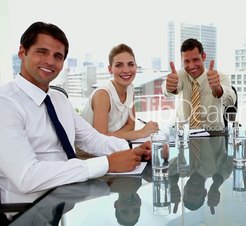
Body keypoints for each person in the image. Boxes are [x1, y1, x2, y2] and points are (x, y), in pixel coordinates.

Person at [0, 22, 151, 207]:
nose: (50, 61)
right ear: (22, 52)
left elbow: (92, 139)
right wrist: (106, 164)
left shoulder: (58, 99)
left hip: (69, 197)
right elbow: (27, 177)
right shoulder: (5, 103)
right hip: (27, 210)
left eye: (58, 56)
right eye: (42, 52)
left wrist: (132, 150)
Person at [81, 44, 158, 140]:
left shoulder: (130, 89)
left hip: (115, 148)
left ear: (136, 67)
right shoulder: (103, 94)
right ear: (110, 69)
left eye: (130, 64)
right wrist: (141, 132)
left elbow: (130, 125)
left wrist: (111, 136)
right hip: (90, 154)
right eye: (119, 65)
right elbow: (100, 139)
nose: (126, 70)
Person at [162, 38, 236, 130]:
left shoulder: (219, 77)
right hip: (184, 135)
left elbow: (231, 100)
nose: (191, 66)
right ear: (182, 60)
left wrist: (218, 89)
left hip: (213, 135)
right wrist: (170, 87)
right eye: (186, 61)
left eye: (195, 60)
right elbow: (167, 90)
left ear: (204, 56)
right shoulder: (180, 76)